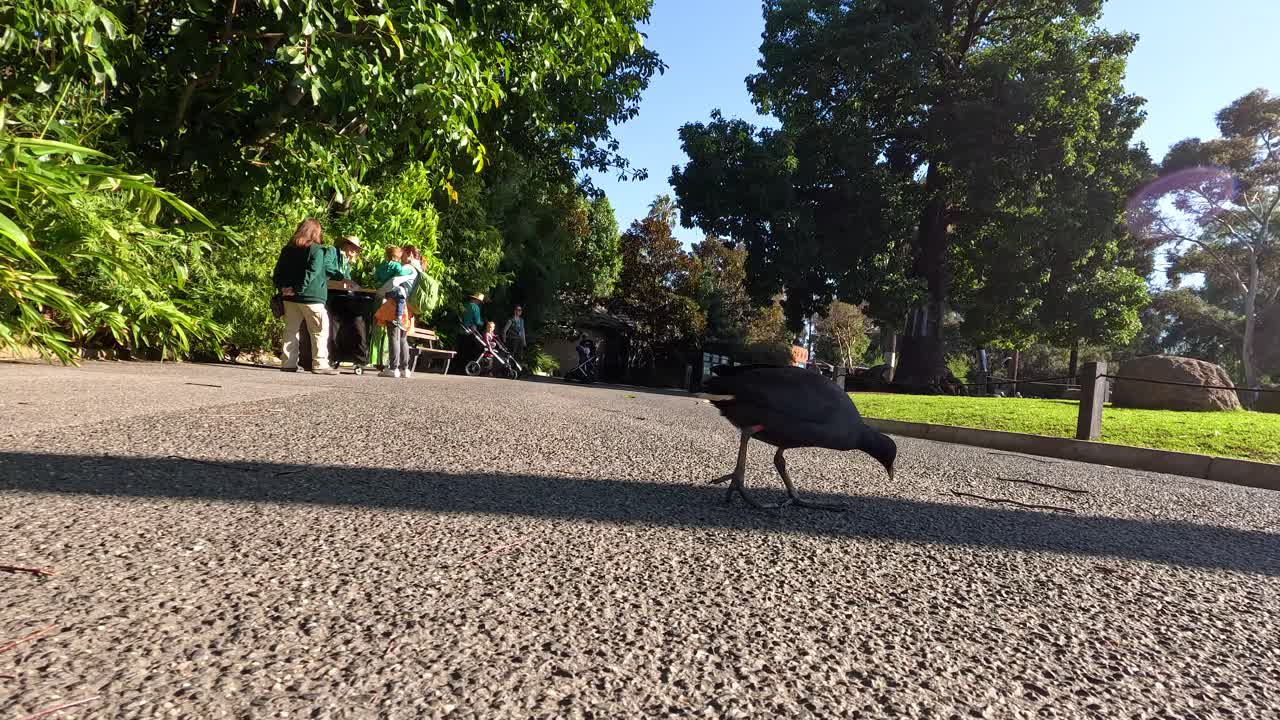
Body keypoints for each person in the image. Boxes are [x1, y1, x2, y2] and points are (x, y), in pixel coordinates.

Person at [272, 218, 337, 374]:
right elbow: (312, 272)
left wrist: (284, 288)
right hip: (311, 297)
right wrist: (298, 288)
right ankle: (320, 364)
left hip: (289, 297)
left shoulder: (287, 250)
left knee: (291, 330)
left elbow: (277, 272)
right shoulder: (317, 250)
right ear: (316, 232)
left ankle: (288, 363)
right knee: (319, 330)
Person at [374, 246, 421, 379]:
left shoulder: (408, 268)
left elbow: (393, 280)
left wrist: (380, 290)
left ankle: (393, 368)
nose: (401, 258)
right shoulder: (418, 269)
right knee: (402, 338)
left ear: (410, 254)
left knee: (393, 335)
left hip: (396, 304)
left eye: (404, 254)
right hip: (408, 307)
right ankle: (404, 368)